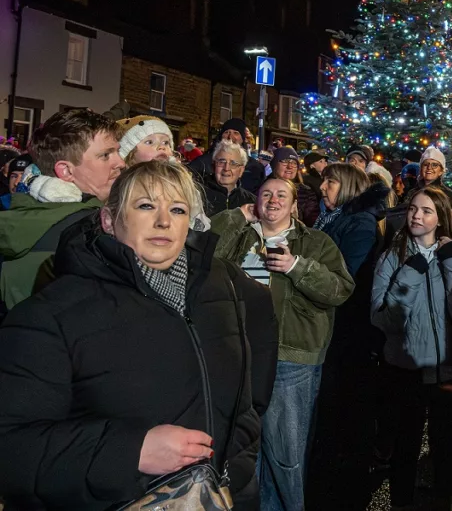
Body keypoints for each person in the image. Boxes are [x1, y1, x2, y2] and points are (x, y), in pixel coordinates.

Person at [0, 161, 278, 510]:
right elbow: (11, 448)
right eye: (145, 205)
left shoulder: (222, 288)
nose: (163, 221)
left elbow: (247, 402)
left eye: (177, 209)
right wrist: (130, 451)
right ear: (108, 219)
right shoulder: (51, 314)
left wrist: (237, 471)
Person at [211, 177, 355, 511]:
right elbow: (206, 256)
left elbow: (339, 290)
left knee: (286, 454)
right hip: (238, 356)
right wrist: (236, 217)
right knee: (244, 449)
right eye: (265, 194)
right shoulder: (242, 236)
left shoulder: (315, 242)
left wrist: (296, 266)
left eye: (281, 195)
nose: (272, 200)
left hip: (290, 360)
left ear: (293, 206)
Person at [371, 186, 452, 509]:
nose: (416, 215)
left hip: (446, 368)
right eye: (413, 209)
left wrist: (451, 265)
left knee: (445, 448)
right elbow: (382, 318)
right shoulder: (392, 256)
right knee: (406, 446)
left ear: (440, 218)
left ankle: (443, 502)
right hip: (405, 369)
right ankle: (402, 503)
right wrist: (412, 273)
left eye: (426, 211)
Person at [307, 162, 390, 499]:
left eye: (330, 182)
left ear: (348, 187)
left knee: (344, 400)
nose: (323, 188)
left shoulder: (360, 224)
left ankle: (343, 477)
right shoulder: (332, 217)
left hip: (347, 327)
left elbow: (345, 275)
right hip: (330, 324)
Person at [0, 109, 125, 309]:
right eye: (105, 155)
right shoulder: (90, 231)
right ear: (66, 171)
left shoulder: (20, 214)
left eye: (118, 151)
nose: (120, 162)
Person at [188, 117, 264, 192]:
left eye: (236, 133)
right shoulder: (202, 163)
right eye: (227, 132)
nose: (230, 137)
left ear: (242, 138)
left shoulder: (256, 168)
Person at [200, 140, 256, 216]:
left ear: (241, 171)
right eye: (221, 162)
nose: (226, 168)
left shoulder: (251, 202)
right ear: (213, 166)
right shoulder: (198, 195)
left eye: (233, 163)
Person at [271, 146, 320, 226]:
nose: (290, 166)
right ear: (275, 165)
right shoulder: (263, 189)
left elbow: (313, 224)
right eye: (285, 161)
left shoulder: (306, 192)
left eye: (294, 163)